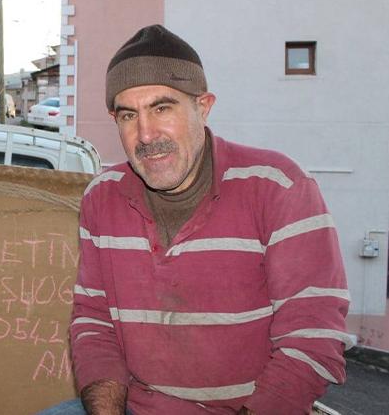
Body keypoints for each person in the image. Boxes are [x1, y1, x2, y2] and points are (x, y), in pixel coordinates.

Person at [56, 25, 350, 414]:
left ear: (203, 106)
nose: (146, 134)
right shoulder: (102, 196)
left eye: (162, 108)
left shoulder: (278, 187)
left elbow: (313, 336)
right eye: (129, 115)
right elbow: (94, 322)